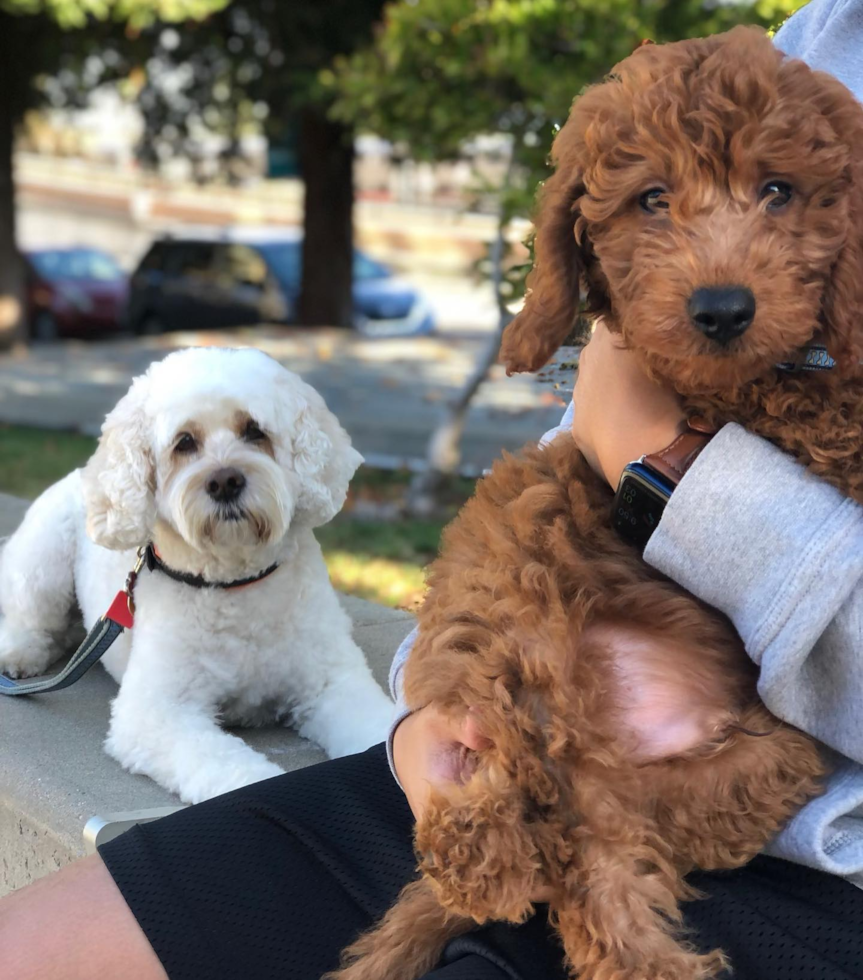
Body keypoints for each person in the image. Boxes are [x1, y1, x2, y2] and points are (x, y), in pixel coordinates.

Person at [3, 4, 863, 978]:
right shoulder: (813, 40)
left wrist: (664, 472)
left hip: (791, 836)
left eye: (777, 191)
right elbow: (554, 486)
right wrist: (422, 717)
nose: (717, 254)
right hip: (511, 730)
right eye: (656, 201)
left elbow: (618, 440)